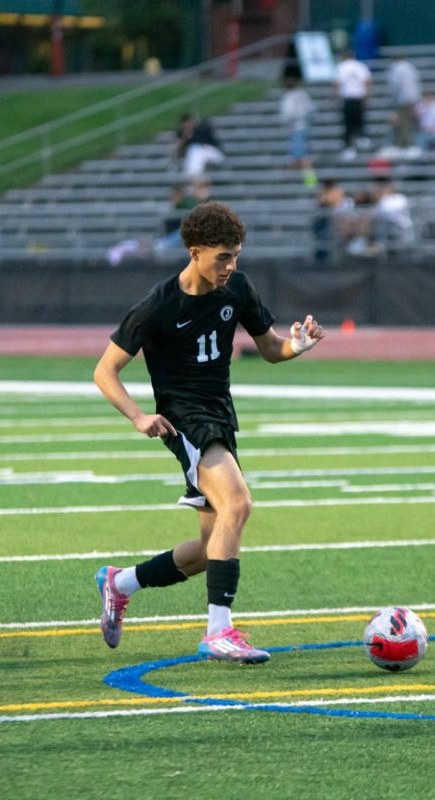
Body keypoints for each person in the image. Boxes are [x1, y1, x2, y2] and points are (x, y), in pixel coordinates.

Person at [92, 202, 325, 664]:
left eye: (236, 255)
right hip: (184, 419)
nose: (231, 266)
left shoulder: (237, 287)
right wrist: (139, 416)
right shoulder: (159, 304)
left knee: (206, 548)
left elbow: (270, 348)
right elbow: (104, 372)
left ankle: (119, 583)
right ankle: (219, 631)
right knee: (239, 503)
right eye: (223, 256)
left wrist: (298, 343)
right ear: (195, 252)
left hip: (221, 415)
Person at [335, 49, 372, 159]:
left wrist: (336, 99)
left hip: (348, 98)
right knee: (358, 119)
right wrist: (367, 97)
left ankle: (349, 147)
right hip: (358, 97)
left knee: (348, 123)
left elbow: (337, 84)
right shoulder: (360, 66)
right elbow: (367, 82)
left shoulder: (341, 67)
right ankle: (361, 140)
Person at [279, 75, 315, 169]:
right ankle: (305, 166)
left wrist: (285, 121)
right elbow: (311, 109)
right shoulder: (303, 95)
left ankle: (298, 163)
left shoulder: (288, 97)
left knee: (297, 146)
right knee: (305, 145)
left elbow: (288, 112)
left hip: (295, 125)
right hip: (305, 123)